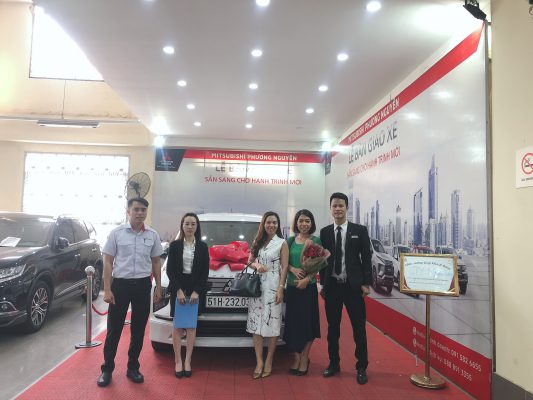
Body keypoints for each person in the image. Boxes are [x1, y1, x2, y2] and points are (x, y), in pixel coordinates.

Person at [97, 197, 163, 387]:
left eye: (143, 210)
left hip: (143, 286)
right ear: (128, 211)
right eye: (136, 209)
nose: (140, 213)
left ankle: (133, 367)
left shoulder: (152, 235)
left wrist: (158, 287)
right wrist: (107, 289)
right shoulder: (117, 233)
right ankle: (107, 369)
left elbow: (156, 262)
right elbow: (108, 261)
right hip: (120, 286)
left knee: (138, 329)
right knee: (114, 329)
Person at [319, 192, 372, 384]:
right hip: (332, 287)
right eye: (334, 206)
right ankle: (334, 363)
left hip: (353, 288)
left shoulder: (360, 230)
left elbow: (366, 257)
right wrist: (323, 284)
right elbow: (321, 260)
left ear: (347, 208)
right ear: (330, 208)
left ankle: (361, 367)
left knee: (359, 328)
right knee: (333, 329)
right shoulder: (325, 232)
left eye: (341, 205)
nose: (338, 209)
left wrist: (366, 283)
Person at [166, 213, 209, 378]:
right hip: (178, 288)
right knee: (177, 326)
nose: (190, 227)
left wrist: (197, 291)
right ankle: (178, 360)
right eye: (187, 224)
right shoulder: (174, 245)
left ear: (197, 226)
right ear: (182, 225)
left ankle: (188, 360)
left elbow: (204, 272)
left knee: (191, 327)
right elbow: (170, 271)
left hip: (195, 291)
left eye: (193, 224)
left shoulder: (203, 247)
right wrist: (178, 291)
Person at [247, 211, 289, 379]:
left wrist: (281, 288)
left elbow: (284, 267)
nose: (271, 225)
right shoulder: (258, 241)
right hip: (257, 288)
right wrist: (257, 265)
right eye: (268, 222)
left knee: (273, 323)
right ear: (263, 224)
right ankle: (259, 361)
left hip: (273, 286)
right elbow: (249, 261)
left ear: (278, 225)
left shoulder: (282, 243)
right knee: (255, 324)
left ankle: (269, 360)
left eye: (274, 222)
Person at [283, 209, 321, 376]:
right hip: (292, 289)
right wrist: (292, 269)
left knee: (308, 324)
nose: (304, 224)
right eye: (301, 221)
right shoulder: (290, 241)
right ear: (296, 223)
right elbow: (284, 263)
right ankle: (296, 357)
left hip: (308, 289)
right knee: (293, 325)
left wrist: (307, 279)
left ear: (311, 223)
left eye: (307, 221)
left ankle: (305, 357)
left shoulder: (315, 240)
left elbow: (318, 265)